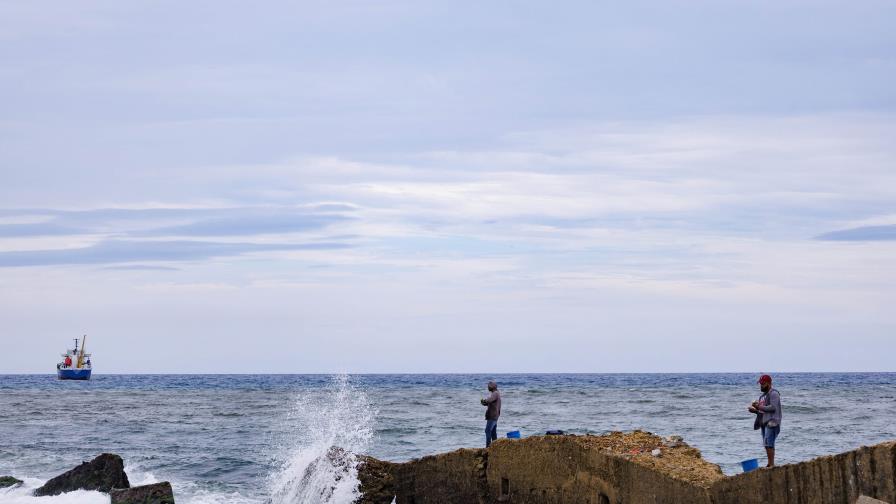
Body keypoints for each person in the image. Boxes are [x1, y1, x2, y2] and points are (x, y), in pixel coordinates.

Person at [748, 374, 782, 467]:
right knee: (766, 444)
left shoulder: (774, 393)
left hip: (772, 422)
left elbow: (773, 408)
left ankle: (771, 464)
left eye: (763, 384)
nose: (761, 386)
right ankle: (770, 464)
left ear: (769, 383)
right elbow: (762, 412)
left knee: (769, 443)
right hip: (764, 423)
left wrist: (759, 406)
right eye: (760, 384)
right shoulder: (762, 397)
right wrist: (755, 410)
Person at [480, 381, 501, 448]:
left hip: (492, 416)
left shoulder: (495, 393)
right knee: (493, 432)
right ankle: (496, 447)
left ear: (492, 387)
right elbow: (491, 402)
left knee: (487, 431)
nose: (488, 387)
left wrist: (485, 401)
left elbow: (489, 400)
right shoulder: (496, 393)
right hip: (495, 416)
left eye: (489, 386)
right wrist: (484, 403)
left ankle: (488, 447)